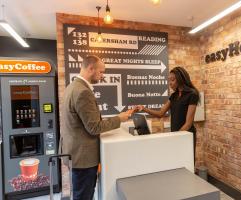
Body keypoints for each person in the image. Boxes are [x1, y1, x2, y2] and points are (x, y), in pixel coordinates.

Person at [59, 55, 131, 200]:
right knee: (83, 196)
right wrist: (119, 119)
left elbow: (83, 121)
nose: (102, 76)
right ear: (91, 68)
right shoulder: (83, 91)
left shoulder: (72, 87)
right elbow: (94, 127)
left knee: (80, 193)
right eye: (101, 72)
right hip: (83, 157)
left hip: (73, 152)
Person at [136, 66, 200, 162]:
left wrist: (174, 138)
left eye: (172, 80)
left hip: (186, 136)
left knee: (187, 164)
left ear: (180, 79)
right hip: (176, 134)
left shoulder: (192, 94)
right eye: (169, 80)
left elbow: (188, 124)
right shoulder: (173, 96)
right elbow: (160, 113)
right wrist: (144, 108)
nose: (170, 83)